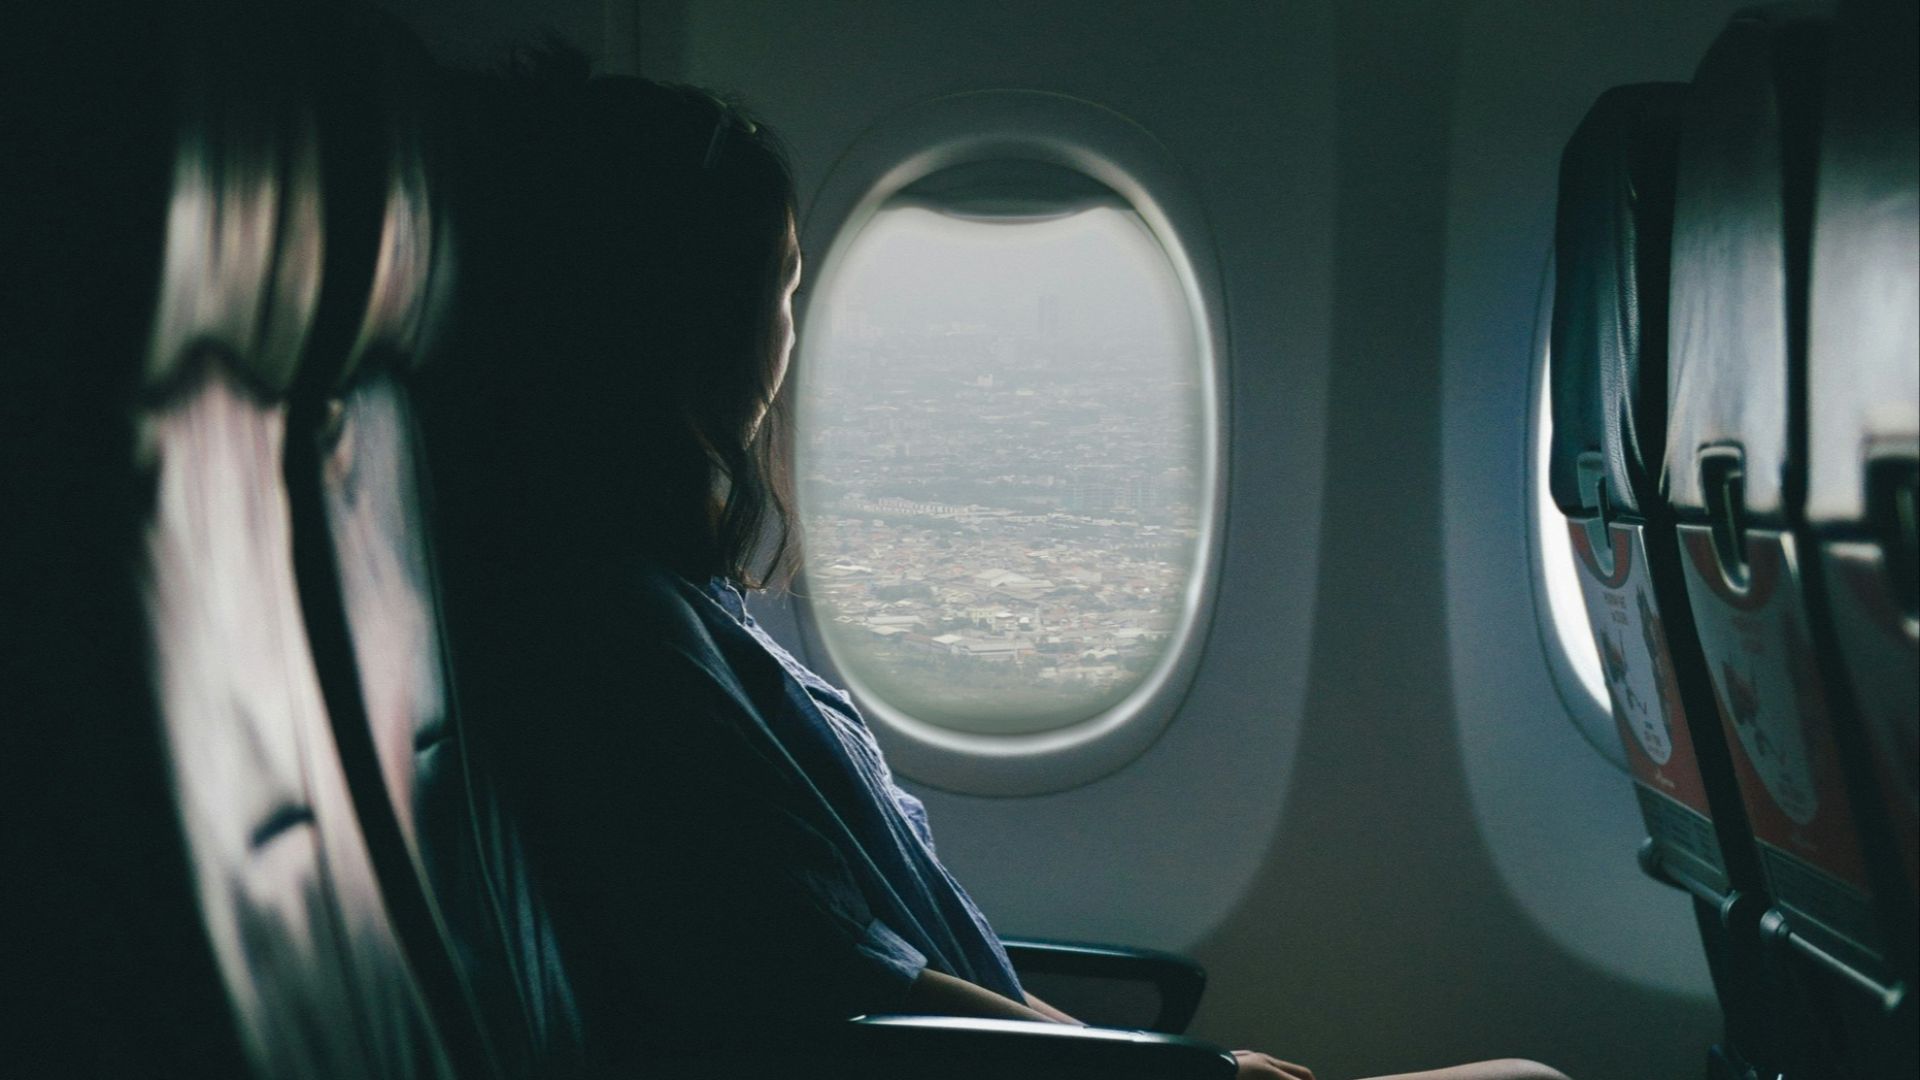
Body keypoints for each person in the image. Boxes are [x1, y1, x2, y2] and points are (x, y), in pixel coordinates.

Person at [423, 48, 1570, 1080]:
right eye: (783, 286)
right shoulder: (625, 640)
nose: (790, 330)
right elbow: (835, 983)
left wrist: (1132, 1058)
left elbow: (865, 966)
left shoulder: (662, 604)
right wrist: (1189, 1071)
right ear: (698, 319)